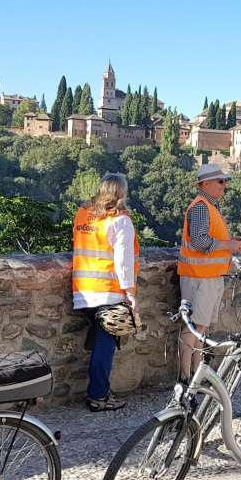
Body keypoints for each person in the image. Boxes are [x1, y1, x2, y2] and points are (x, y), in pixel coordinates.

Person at [72, 173, 140, 412]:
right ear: (121, 193)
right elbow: (124, 262)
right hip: (108, 291)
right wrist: (130, 293)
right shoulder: (120, 221)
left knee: (101, 340)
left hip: (82, 289)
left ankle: (100, 391)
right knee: (106, 344)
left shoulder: (83, 215)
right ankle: (98, 396)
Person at [177, 164, 241, 386]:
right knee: (194, 328)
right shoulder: (200, 207)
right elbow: (199, 242)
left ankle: (196, 374)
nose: (224, 185)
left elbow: (207, 239)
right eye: (220, 181)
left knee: (200, 328)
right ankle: (185, 378)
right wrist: (228, 244)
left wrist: (230, 243)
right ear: (205, 184)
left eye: (224, 181)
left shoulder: (207, 206)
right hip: (200, 277)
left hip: (206, 276)